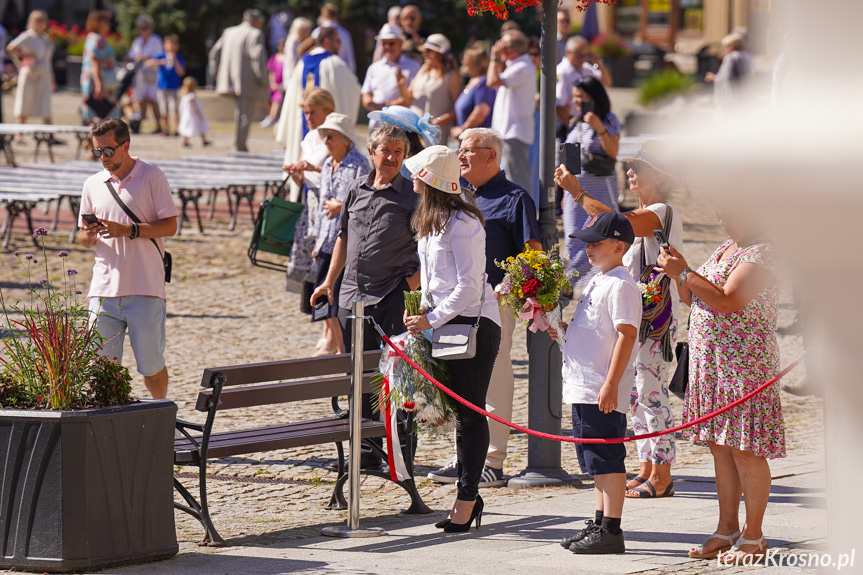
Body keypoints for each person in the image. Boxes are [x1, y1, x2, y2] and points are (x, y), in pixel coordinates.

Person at [555, 140, 682, 500]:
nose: (630, 173)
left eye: (637, 168)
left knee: (652, 395)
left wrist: (577, 192)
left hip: (652, 322)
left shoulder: (663, 211)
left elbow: (615, 225)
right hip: (633, 317)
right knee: (635, 396)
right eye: (629, 166)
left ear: (658, 174)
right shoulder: (648, 210)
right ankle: (647, 469)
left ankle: (663, 473)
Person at [656, 211, 782, 565]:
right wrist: (677, 273)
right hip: (712, 366)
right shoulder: (728, 247)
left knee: (746, 450)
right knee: (721, 448)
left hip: (744, 367)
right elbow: (694, 297)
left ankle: (754, 535)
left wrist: (684, 272)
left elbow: (728, 299)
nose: (724, 219)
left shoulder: (763, 252)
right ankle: (727, 528)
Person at [427, 128, 540, 488]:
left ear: (491, 155)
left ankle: (493, 460)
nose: (461, 157)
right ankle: (467, 456)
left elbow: (533, 253)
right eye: (459, 150)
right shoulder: (458, 195)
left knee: (493, 381)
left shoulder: (514, 197)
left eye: (468, 151)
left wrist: (509, 288)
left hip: (494, 304)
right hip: (457, 304)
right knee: (463, 384)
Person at [310, 123, 421, 468]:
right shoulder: (356, 188)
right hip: (350, 295)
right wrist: (329, 282)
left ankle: (400, 453)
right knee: (358, 374)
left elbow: (427, 246)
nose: (390, 157)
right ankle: (366, 450)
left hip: (390, 295)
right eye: (384, 150)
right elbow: (343, 236)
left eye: (397, 152)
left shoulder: (413, 196)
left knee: (393, 376)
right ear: (371, 153)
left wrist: (414, 288)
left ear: (404, 157)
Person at [403, 145, 501, 533]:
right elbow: (435, 279)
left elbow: (469, 286)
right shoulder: (432, 219)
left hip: (471, 324)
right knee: (451, 411)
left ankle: (467, 497)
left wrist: (431, 318)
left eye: (417, 171)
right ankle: (466, 493)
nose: (411, 176)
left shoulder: (463, 223)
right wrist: (422, 311)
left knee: (469, 412)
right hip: (439, 323)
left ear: (429, 180)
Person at [550, 211, 641, 555]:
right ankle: (601, 522)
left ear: (619, 246)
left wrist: (611, 383)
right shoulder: (599, 279)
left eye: (596, 243)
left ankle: (612, 531)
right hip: (584, 385)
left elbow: (626, 334)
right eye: (587, 243)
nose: (588, 249)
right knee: (593, 461)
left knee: (607, 458)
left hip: (601, 387)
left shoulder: (621, 284)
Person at [77, 118, 178, 400]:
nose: (102, 158)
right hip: (103, 291)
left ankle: (161, 418)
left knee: (151, 368)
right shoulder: (92, 184)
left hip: (145, 289)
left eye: (108, 151)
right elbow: (83, 239)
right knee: (102, 371)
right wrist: (89, 233)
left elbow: (169, 226)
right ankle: (109, 427)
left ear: (126, 146)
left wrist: (129, 230)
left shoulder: (152, 176)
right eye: (96, 152)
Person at [310, 113, 371, 356]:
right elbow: (321, 204)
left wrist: (341, 206)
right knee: (322, 294)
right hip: (326, 238)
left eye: (331, 136)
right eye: (324, 135)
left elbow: (365, 199)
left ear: (346, 139)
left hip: (347, 241)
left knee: (340, 296)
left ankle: (343, 349)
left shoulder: (359, 163)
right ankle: (336, 343)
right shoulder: (327, 164)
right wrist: (317, 239)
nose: (325, 140)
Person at [559, 76, 621, 286]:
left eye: (581, 97)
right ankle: (571, 281)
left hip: (601, 187)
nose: (576, 101)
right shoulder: (575, 121)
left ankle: (597, 279)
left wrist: (599, 126)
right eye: (575, 97)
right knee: (573, 237)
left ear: (594, 98)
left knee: (601, 234)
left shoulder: (608, 119)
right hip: (574, 191)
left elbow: (612, 152)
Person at [284, 88, 335, 330]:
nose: (308, 118)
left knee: (325, 264)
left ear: (328, 111)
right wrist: (296, 172)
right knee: (312, 267)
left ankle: (330, 330)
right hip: (311, 203)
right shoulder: (310, 137)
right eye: (305, 113)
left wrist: (312, 169)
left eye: (312, 112)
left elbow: (336, 171)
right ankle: (324, 326)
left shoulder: (335, 137)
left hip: (328, 205)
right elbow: (303, 180)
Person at [278, 26, 360, 163]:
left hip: (303, 131)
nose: (340, 45)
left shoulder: (301, 64)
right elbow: (354, 91)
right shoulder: (335, 64)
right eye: (338, 41)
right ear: (327, 40)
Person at [209, 9, 268, 152]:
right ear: (255, 21)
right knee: (245, 115)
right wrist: (263, 79)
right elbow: (257, 58)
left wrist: (217, 74)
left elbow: (213, 53)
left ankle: (238, 144)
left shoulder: (229, 32)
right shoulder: (255, 33)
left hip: (228, 79)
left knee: (240, 112)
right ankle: (239, 146)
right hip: (247, 81)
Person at [487, 30, 536, 194]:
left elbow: (492, 81)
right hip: (509, 131)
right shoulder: (516, 65)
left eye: (502, 45)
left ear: (511, 49)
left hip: (514, 132)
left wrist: (494, 58)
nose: (499, 48)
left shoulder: (521, 66)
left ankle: (524, 217)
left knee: (517, 179)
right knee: (510, 178)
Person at [400, 33, 462, 145]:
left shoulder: (451, 76)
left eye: (429, 51)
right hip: (413, 131)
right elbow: (408, 98)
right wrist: (401, 86)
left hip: (433, 136)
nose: (424, 54)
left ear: (439, 54)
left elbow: (457, 108)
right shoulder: (424, 70)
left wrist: (437, 121)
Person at [362, 24, 420, 132]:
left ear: (401, 43)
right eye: (384, 43)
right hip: (376, 126)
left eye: (391, 43)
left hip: (402, 125)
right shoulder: (374, 67)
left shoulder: (413, 66)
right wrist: (373, 104)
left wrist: (383, 107)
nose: (388, 47)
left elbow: (411, 98)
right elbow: (366, 95)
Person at [7, 10, 56, 135]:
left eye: (44, 21)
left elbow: (47, 60)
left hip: (43, 75)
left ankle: (50, 134)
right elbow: (11, 47)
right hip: (30, 74)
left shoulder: (44, 38)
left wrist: (52, 78)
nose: (43, 24)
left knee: (45, 104)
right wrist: (26, 55)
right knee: (25, 103)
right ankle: (19, 134)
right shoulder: (29, 35)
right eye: (40, 21)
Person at [556, 36, 611, 129]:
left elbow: (606, 81)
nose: (584, 59)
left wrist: (599, 63)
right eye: (580, 55)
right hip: (569, 124)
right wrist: (572, 129)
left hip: (585, 123)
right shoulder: (562, 72)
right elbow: (559, 106)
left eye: (586, 55)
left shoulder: (585, 68)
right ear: (569, 52)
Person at [80, 9, 122, 125]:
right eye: (105, 22)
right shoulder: (97, 40)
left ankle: (91, 140)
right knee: (102, 112)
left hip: (96, 78)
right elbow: (95, 63)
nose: (108, 25)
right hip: (98, 79)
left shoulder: (94, 38)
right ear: (96, 23)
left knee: (98, 113)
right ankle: (93, 140)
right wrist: (99, 84)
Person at [126, 15, 163, 134]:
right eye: (142, 27)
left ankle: (159, 125)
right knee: (140, 100)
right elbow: (132, 56)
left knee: (153, 99)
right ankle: (138, 125)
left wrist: (146, 57)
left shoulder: (156, 40)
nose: (144, 30)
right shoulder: (137, 41)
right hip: (140, 74)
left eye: (146, 27)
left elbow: (160, 56)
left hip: (152, 74)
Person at [451, 46, 496, 140]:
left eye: (465, 59)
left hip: (479, 142)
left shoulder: (483, 83)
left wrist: (463, 129)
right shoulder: (472, 81)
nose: (462, 62)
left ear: (474, 63)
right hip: (468, 139)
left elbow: (481, 111)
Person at [149, 35, 185, 138]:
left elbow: (181, 72)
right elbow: (149, 63)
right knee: (163, 110)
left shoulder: (178, 57)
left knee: (174, 109)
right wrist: (161, 62)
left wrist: (174, 60)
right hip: (162, 87)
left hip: (173, 87)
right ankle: (166, 129)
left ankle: (176, 128)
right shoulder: (161, 56)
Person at [705, 33, 753, 108]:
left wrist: (714, 78)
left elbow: (726, 77)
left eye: (725, 47)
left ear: (731, 47)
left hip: (729, 97)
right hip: (744, 95)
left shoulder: (730, 58)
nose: (724, 49)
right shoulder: (747, 56)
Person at [311, 3, 355, 74]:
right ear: (336, 16)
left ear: (324, 15)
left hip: (319, 73)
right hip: (340, 73)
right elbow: (349, 59)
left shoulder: (316, 32)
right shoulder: (345, 34)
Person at [177, 77, 211, 148]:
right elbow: (193, 106)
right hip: (193, 116)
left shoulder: (184, 96)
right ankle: (201, 140)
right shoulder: (191, 96)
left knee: (190, 128)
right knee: (198, 127)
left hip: (187, 116)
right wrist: (198, 113)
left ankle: (201, 140)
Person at [261, 37, 286, 128]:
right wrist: (272, 83)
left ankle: (272, 117)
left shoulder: (288, 58)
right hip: (274, 84)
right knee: (263, 97)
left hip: (282, 86)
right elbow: (271, 72)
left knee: (276, 99)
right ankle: (273, 116)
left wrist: (280, 85)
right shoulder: (274, 57)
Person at [281, 17, 312, 87]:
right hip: (293, 76)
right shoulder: (293, 41)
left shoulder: (301, 41)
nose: (307, 33)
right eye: (305, 30)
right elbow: (293, 61)